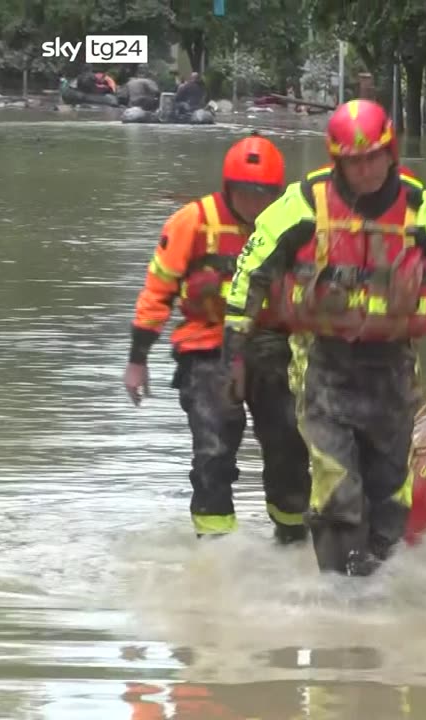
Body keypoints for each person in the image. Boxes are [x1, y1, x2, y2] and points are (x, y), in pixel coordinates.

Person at [223, 99, 426, 577]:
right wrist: (235, 355)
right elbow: (250, 275)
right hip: (324, 364)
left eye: (373, 157)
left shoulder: (423, 210)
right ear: (337, 161)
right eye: (353, 162)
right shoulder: (303, 203)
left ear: (391, 151)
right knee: (337, 487)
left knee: (390, 491)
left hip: (392, 366)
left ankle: (379, 586)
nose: (365, 170)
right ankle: (340, 598)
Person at [124, 133, 311, 543]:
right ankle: (216, 549)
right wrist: (138, 361)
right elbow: (157, 292)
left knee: (288, 444)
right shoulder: (192, 222)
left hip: (269, 343)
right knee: (215, 447)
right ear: (229, 187)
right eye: (247, 192)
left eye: (264, 193)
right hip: (205, 346)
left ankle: (294, 538)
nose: (255, 202)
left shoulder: (296, 225)